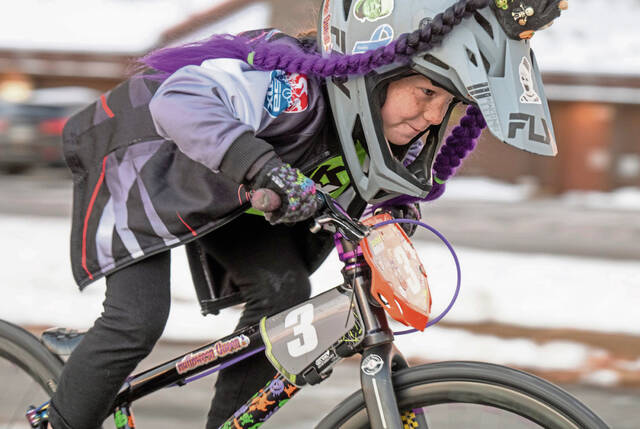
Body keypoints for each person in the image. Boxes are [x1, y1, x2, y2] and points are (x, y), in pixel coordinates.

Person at [48, 0, 566, 427]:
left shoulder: (372, 131)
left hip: (218, 189)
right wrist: (264, 169)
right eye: (427, 92)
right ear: (378, 72)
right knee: (136, 321)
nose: (433, 116)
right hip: (141, 157)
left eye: (446, 103)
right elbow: (178, 99)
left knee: (284, 295)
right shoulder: (294, 90)